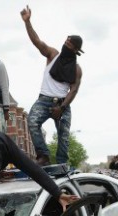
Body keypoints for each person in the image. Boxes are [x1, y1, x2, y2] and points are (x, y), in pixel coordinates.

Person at [20, 5, 83, 166]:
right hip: (44, 99)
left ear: (75, 50)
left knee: (63, 134)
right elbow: (37, 41)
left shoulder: (76, 69)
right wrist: (27, 22)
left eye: (69, 44)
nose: (66, 44)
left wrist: (61, 108)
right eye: (66, 41)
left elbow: (73, 90)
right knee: (32, 121)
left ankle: (62, 163)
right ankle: (43, 155)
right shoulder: (53, 54)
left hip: (62, 103)